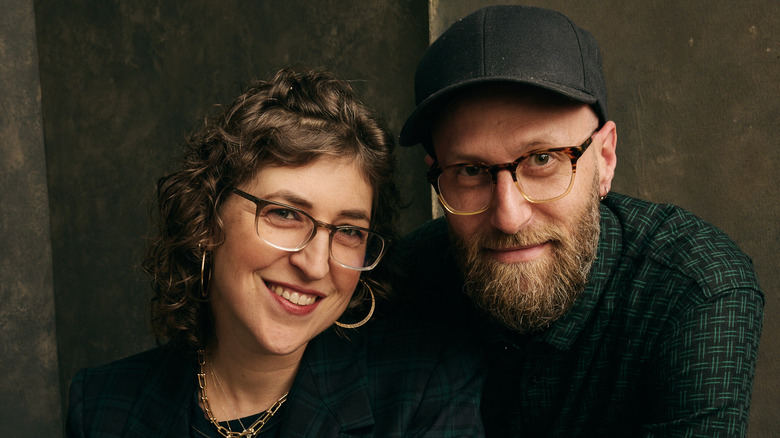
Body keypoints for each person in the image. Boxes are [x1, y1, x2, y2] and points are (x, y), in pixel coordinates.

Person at [395, 5, 764, 437]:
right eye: (471, 171)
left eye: (543, 159)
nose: (509, 216)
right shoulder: (404, 282)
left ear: (604, 159)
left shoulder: (694, 287)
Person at [66, 66, 485, 437]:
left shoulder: (425, 390)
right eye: (285, 214)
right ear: (207, 216)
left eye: (349, 231)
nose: (316, 263)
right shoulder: (103, 406)